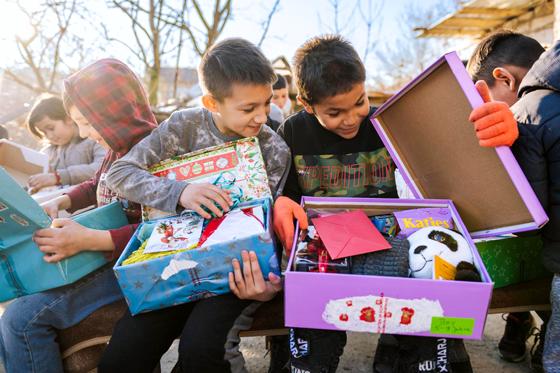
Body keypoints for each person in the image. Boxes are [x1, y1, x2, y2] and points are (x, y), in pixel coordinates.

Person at [271, 34, 519, 373]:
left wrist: (498, 130)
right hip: (326, 248)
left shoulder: (387, 122)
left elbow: (448, 163)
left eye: (359, 101)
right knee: (314, 334)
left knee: (438, 310)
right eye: (334, 112)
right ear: (306, 103)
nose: (351, 118)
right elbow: (286, 194)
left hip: (394, 242)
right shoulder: (293, 132)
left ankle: (417, 354)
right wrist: (282, 203)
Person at [99, 38, 291, 373]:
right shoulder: (182, 126)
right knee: (124, 354)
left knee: (201, 350)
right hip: (172, 263)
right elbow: (119, 173)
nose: (262, 116)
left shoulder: (274, 150)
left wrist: (272, 284)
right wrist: (180, 193)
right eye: (248, 108)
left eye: (266, 103)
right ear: (211, 102)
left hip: (234, 276)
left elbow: (271, 227)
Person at [0, 58, 157, 373]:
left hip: (133, 266)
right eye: (78, 123)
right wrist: (63, 200)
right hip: (104, 254)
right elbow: (97, 183)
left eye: (88, 122)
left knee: (21, 320)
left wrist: (87, 239)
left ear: (114, 112)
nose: (85, 133)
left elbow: (162, 230)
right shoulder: (116, 148)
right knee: (11, 307)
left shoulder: (156, 150)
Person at [469, 31, 560, 373]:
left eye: (483, 102)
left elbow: (527, 215)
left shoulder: (526, 115)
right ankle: (520, 323)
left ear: (504, 78)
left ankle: (524, 324)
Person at [26, 95, 106, 193]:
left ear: (68, 119)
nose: (49, 136)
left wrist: (59, 177)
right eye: (44, 132)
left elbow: (102, 167)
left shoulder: (94, 140)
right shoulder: (47, 153)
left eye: (51, 128)